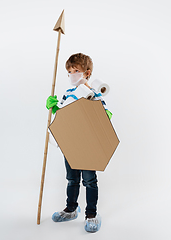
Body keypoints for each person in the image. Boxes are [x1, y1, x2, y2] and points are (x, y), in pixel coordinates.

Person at [46, 53, 112, 233]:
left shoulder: (95, 93)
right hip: (71, 143)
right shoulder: (68, 93)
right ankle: (71, 209)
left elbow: (102, 115)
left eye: (76, 70)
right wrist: (54, 107)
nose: (72, 74)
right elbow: (63, 116)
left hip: (89, 144)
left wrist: (100, 108)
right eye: (69, 71)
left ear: (87, 73)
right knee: (72, 179)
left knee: (90, 181)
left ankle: (91, 214)